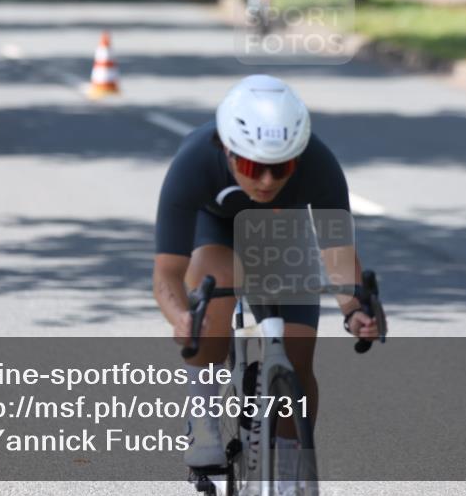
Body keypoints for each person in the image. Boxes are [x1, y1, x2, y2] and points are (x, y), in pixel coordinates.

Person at [152, 75, 379, 473]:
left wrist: (354, 310)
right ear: (227, 151)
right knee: (213, 296)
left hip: (282, 234)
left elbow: (339, 255)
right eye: (252, 167)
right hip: (217, 231)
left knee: (298, 354)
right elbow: (168, 272)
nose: (267, 181)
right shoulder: (194, 162)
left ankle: (291, 468)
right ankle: (203, 421)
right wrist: (182, 319)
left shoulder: (319, 163)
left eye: (281, 167)